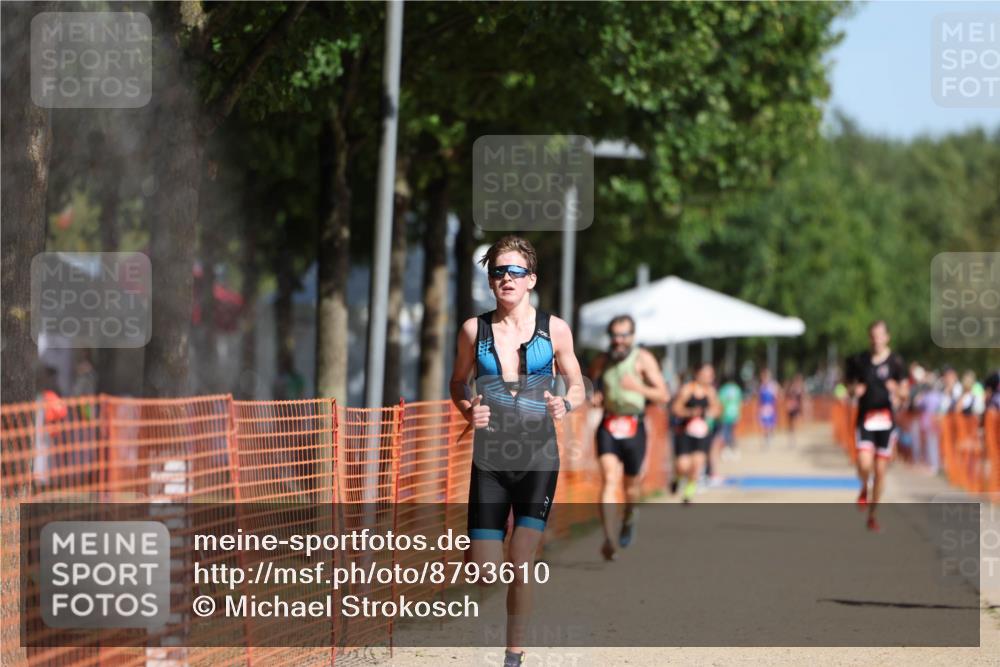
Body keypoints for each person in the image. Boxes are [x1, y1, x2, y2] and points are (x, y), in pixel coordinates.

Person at [450, 235, 585, 667]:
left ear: (531, 279)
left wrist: (565, 402)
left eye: (514, 272)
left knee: (521, 557)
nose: (505, 279)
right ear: (490, 282)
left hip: (538, 457)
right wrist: (468, 408)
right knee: (487, 571)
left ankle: (513, 654)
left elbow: (579, 385)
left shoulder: (555, 329)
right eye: (497, 272)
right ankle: (479, 545)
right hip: (490, 460)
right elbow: (457, 382)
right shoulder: (475, 330)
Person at [588, 315, 669, 561]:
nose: (618, 341)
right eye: (614, 335)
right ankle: (609, 538)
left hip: (635, 425)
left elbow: (663, 395)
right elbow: (593, 385)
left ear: (632, 337)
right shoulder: (602, 360)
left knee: (631, 487)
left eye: (623, 335)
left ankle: (630, 515)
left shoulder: (643, 359)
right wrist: (596, 395)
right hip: (609, 424)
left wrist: (638, 388)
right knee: (610, 479)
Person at [844, 320, 908, 533]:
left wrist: (896, 390)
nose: (876, 339)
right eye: (873, 335)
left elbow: (905, 393)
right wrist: (855, 390)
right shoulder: (860, 360)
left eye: (880, 335)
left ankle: (873, 514)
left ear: (887, 337)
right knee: (864, 463)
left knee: (880, 471)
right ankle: (864, 487)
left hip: (886, 421)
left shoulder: (896, 362)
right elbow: (848, 385)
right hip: (865, 418)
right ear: (869, 337)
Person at [670, 363, 721, 504]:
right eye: (707, 374)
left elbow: (717, 408)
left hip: (703, 433)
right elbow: (675, 408)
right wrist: (690, 413)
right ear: (698, 374)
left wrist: (712, 413)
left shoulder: (710, 392)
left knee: (697, 464)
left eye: (711, 375)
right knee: (683, 465)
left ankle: (688, 495)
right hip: (685, 432)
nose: (710, 377)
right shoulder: (687, 389)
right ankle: (677, 478)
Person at [717, 376, 743, 461]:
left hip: (725, 414)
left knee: (725, 433)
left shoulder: (723, 389)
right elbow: (739, 402)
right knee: (732, 433)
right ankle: (733, 450)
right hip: (734, 414)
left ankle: (727, 450)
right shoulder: (737, 389)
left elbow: (720, 401)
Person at [757, 367, 780, 448]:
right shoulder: (762, 387)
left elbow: (776, 397)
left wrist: (774, 406)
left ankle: (769, 437)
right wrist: (759, 408)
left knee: (770, 424)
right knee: (764, 425)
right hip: (764, 408)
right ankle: (766, 439)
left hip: (770, 407)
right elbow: (759, 399)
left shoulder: (772, 386)